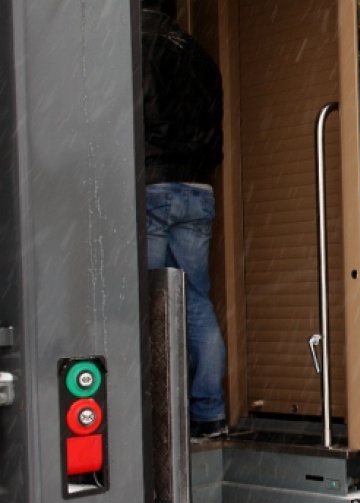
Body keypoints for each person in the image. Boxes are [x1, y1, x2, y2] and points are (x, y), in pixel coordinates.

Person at [141, 0, 227, 438]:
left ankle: (158, 418)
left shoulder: (132, 43)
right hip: (198, 190)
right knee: (195, 302)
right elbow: (214, 130)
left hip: (153, 185)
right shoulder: (201, 55)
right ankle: (209, 414)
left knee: (148, 302)